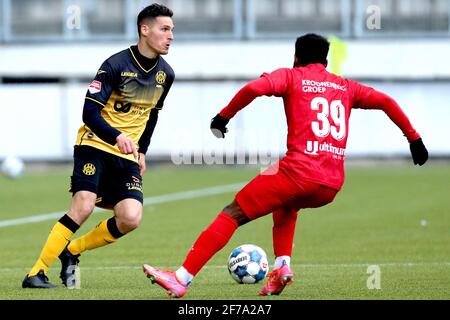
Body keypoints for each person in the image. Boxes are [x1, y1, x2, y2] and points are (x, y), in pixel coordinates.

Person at [142, 33, 428, 298]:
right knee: (286, 205)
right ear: (326, 61)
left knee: (232, 213)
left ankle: (181, 278)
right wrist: (414, 139)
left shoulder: (292, 76)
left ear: (296, 58)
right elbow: (387, 101)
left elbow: (254, 88)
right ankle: (281, 268)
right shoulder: (346, 86)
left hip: (295, 172)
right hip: (330, 184)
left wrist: (223, 117)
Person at [22, 3, 175, 289]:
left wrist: (142, 150)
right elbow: (89, 113)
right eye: (164, 29)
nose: (170, 36)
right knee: (83, 206)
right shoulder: (115, 65)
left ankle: (73, 249)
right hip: (94, 145)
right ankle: (36, 273)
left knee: (130, 217)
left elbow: (152, 115)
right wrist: (116, 136)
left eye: (171, 31)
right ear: (145, 29)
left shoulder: (166, 75)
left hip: (127, 155)